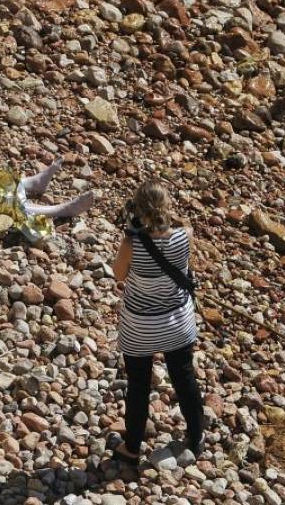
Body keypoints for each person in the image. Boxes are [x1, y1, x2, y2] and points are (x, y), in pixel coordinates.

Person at [110, 180, 204, 465]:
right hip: (178, 323)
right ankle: (195, 436)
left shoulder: (131, 243)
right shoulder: (184, 236)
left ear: (138, 209)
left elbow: (118, 275)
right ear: (167, 207)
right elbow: (185, 269)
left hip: (141, 328)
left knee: (138, 385)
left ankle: (132, 448)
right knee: (184, 377)